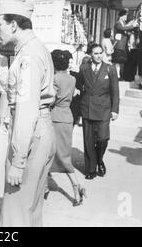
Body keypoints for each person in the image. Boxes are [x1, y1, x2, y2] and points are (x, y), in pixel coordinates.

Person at [0, 1, 56, 227]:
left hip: (31, 135)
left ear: (13, 25)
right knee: (31, 210)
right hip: (42, 130)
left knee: (16, 214)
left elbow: (26, 112)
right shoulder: (36, 48)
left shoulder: (28, 57)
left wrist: (18, 161)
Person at [49, 50, 86, 206]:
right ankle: (76, 187)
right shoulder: (71, 79)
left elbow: (51, 100)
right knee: (64, 155)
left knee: (47, 153)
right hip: (67, 116)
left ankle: (44, 187)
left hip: (55, 117)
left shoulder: (54, 79)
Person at [78, 43, 119, 179]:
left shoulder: (110, 69)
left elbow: (115, 92)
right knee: (88, 140)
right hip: (88, 107)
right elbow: (79, 87)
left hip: (104, 108)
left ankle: (99, 159)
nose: (98, 55)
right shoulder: (84, 68)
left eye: (100, 52)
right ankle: (91, 169)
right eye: (95, 53)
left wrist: (115, 110)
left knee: (102, 138)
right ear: (90, 54)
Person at [112, 9, 138, 80]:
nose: (126, 17)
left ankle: (120, 75)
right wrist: (133, 26)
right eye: (125, 16)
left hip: (123, 44)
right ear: (121, 16)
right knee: (118, 61)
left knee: (121, 61)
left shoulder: (123, 23)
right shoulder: (118, 23)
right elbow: (123, 29)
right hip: (119, 45)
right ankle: (117, 75)